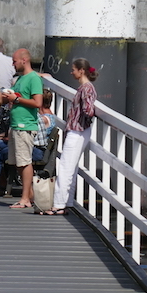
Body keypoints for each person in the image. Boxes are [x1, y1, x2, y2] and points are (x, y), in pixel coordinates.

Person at [43, 59, 98, 215]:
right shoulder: (86, 87)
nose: (71, 72)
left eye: (73, 69)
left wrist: (81, 119)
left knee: (66, 167)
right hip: (80, 130)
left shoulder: (86, 88)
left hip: (78, 131)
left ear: (81, 71)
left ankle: (59, 204)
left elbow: (88, 110)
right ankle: (66, 202)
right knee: (71, 167)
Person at [3, 48, 44, 209]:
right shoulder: (20, 78)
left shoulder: (33, 78)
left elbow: (37, 103)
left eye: (14, 61)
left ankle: (25, 198)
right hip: (15, 125)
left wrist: (16, 99)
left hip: (25, 125)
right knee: (18, 162)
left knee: (24, 162)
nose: (13, 64)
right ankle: (30, 196)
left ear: (24, 60)